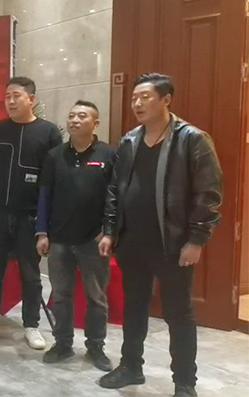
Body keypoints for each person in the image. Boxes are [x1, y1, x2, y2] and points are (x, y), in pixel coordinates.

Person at [98, 73, 222, 397]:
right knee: (134, 307)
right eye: (134, 98)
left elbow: (208, 194)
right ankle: (130, 367)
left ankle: (184, 382)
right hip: (132, 241)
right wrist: (110, 231)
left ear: (166, 100)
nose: (137, 104)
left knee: (178, 313)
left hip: (173, 243)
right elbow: (115, 190)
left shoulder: (192, 139)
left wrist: (196, 239)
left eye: (145, 97)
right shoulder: (130, 141)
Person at [0, 76, 62, 349]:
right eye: (7, 96)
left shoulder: (48, 132)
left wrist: (47, 220)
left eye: (16, 96)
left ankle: (31, 325)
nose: (10, 101)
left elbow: (54, 178)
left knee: (30, 275)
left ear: (31, 99)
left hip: (30, 216)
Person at [35, 100, 115, 370]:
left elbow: (115, 198)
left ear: (96, 123)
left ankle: (95, 347)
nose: (75, 120)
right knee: (60, 295)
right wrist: (42, 232)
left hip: (93, 240)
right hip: (59, 239)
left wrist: (108, 231)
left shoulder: (108, 155)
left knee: (96, 297)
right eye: (71, 116)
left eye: (82, 116)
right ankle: (63, 344)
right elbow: (44, 196)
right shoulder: (55, 156)